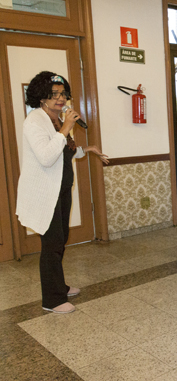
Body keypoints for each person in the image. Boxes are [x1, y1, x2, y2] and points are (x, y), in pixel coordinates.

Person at [15, 71, 108, 314]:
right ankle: (52, 300)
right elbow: (46, 157)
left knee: (60, 239)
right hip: (44, 193)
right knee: (51, 243)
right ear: (41, 97)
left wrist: (87, 149)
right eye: (53, 94)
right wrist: (67, 126)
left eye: (63, 93)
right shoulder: (34, 121)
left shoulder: (57, 120)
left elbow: (64, 151)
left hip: (62, 189)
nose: (60, 98)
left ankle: (60, 286)